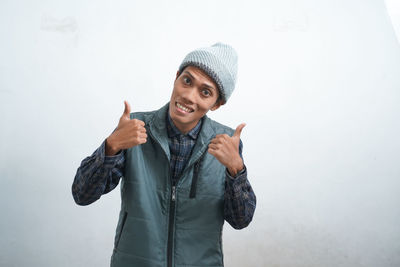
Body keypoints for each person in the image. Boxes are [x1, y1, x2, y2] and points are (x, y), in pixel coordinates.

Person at [72, 43, 256, 267]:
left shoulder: (226, 143)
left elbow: (241, 220)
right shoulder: (135, 128)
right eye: (187, 81)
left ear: (216, 104)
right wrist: (110, 147)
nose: (188, 96)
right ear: (177, 77)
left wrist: (236, 170)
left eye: (205, 92)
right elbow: (82, 194)